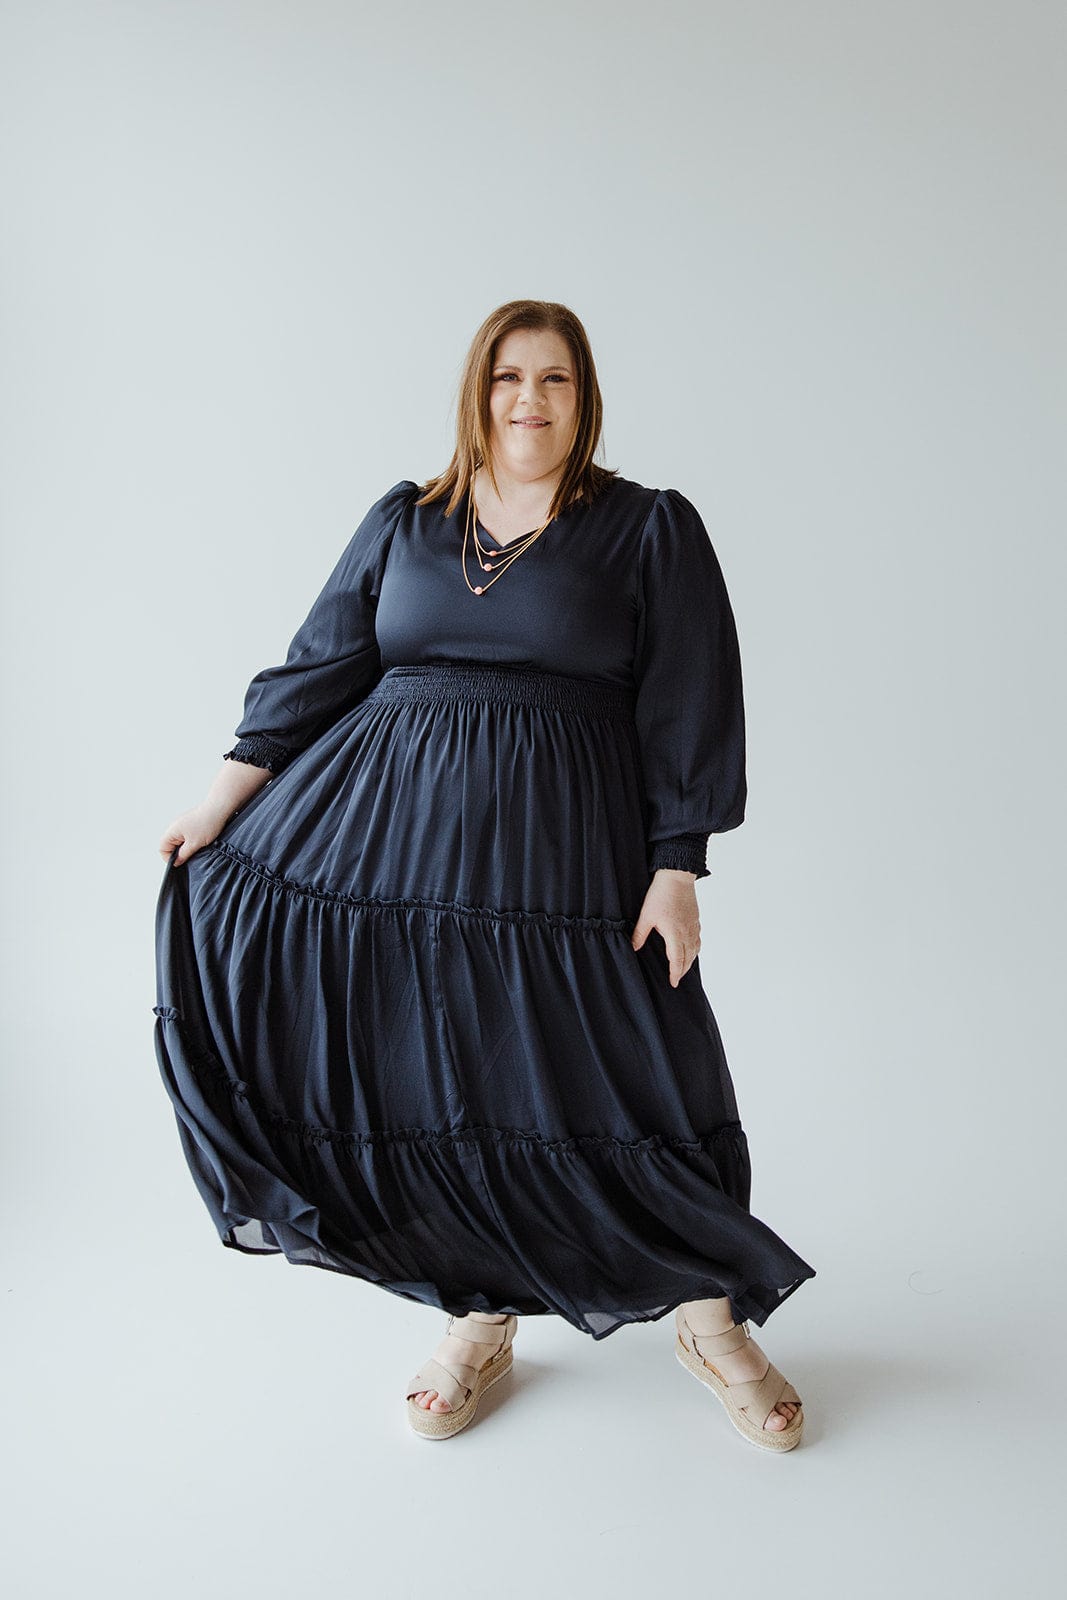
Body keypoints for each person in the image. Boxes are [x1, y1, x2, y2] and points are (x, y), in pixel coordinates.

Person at [154, 298, 816, 1450]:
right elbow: (321, 665)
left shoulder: (645, 527)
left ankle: (710, 1321)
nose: (528, 400)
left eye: (553, 380)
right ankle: (476, 1321)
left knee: (636, 1080)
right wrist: (220, 800)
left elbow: (689, 703)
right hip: (398, 859)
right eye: (510, 377)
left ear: (582, 395)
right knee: (439, 1086)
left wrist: (676, 867)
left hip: (569, 864)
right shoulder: (404, 522)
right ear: (477, 388)